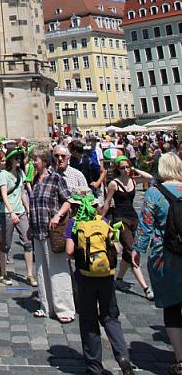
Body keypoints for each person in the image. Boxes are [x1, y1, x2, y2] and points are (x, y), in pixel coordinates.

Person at [66, 190, 133, 375]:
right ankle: (123, 357)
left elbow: (69, 252)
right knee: (110, 317)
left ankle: (94, 367)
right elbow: (117, 249)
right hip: (106, 277)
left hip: (85, 278)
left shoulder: (74, 223)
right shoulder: (103, 222)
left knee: (88, 321)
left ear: (74, 207)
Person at [134, 152, 182, 375]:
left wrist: (137, 250)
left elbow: (145, 227)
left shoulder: (154, 193)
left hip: (167, 258)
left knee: (172, 307)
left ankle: (180, 359)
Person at [27, 148, 74, 322]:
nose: (33, 163)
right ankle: (46, 307)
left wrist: (57, 215)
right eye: (32, 160)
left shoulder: (56, 179)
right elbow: (35, 206)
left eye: (35, 160)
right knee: (41, 271)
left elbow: (68, 200)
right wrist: (31, 226)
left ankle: (64, 310)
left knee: (58, 270)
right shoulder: (34, 180)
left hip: (53, 232)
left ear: (45, 161)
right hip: (38, 231)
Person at [101, 154, 154, 298]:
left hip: (133, 219)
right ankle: (146, 288)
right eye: (122, 167)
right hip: (120, 220)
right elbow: (107, 202)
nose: (125, 169)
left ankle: (118, 279)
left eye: (127, 166)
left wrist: (135, 168)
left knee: (128, 252)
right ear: (117, 169)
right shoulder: (114, 183)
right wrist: (101, 218)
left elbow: (149, 178)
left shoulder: (133, 180)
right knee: (132, 252)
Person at [0, 146, 35, 286]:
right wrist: (11, 211)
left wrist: (28, 209)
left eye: (20, 158)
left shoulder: (20, 173)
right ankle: (4, 273)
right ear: (10, 160)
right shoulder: (3, 175)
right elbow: (4, 195)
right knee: (6, 244)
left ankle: (30, 274)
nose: (19, 160)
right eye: (16, 158)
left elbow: (22, 193)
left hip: (21, 211)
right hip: (7, 212)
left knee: (28, 241)